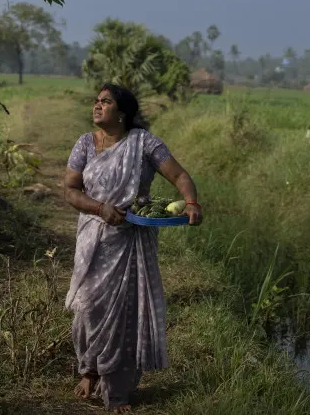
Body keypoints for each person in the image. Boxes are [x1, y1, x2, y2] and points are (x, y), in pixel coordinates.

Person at [62, 83, 203, 412]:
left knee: (126, 314)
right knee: (86, 307)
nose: (97, 106)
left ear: (122, 112)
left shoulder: (144, 144)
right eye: (96, 100)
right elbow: (70, 190)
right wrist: (100, 209)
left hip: (131, 241)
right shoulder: (85, 143)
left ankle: (119, 390)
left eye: (106, 102)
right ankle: (89, 371)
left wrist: (192, 203)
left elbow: (180, 175)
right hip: (93, 238)